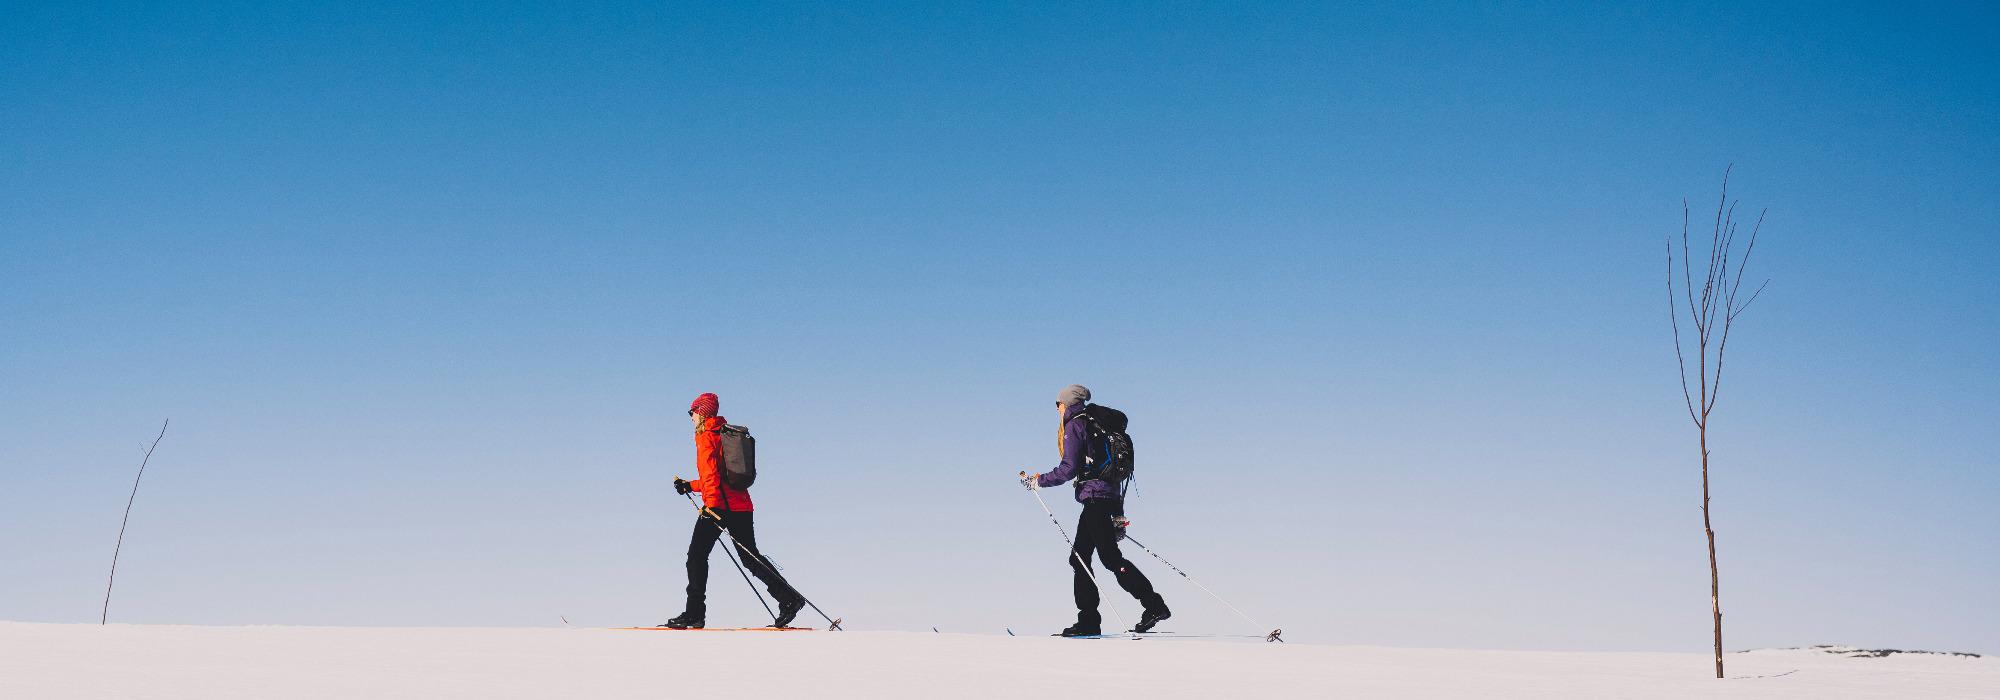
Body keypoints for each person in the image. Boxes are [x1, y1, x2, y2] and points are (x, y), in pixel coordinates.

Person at [1022, 384, 1170, 637]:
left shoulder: (1075, 424)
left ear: (1066, 403)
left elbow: (1069, 468)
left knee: (1107, 558)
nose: (1056, 408)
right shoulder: (1096, 423)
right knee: (1079, 557)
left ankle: (1151, 606)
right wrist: (1118, 514)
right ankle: (1092, 618)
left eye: (1057, 403)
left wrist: (1039, 481)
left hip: (1094, 499)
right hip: (1106, 497)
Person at [661, 392, 804, 629]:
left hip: (719, 507)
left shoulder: (706, 437)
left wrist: (711, 507)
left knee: (696, 557)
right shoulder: (725, 434)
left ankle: (694, 614)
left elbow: (711, 477)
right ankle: (789, 599)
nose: (691, 418)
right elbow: (717, 479)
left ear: (701, 413)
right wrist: (690, 486)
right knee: (750, 557)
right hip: (741, 506)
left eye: (692, 412)